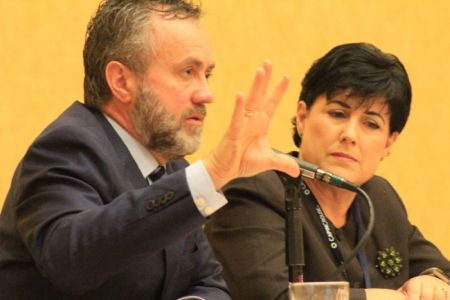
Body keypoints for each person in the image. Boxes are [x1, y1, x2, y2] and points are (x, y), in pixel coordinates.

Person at [0, 1, 299, 299]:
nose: (206, 94)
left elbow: (209, 282)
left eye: (206, 75)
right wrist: (211, 175)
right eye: (187, 71)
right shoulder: (67, 148)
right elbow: (71, 260)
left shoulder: (173, 168)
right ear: (121, 82)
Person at [205, 43, 450, 300]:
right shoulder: (255, 191)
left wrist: (430, 280)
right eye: (337, 113)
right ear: (302, 117)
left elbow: (441, 270)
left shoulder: (379, 197)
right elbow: (273, 297)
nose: (350, 135)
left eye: (371, 124)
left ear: (389, 142)